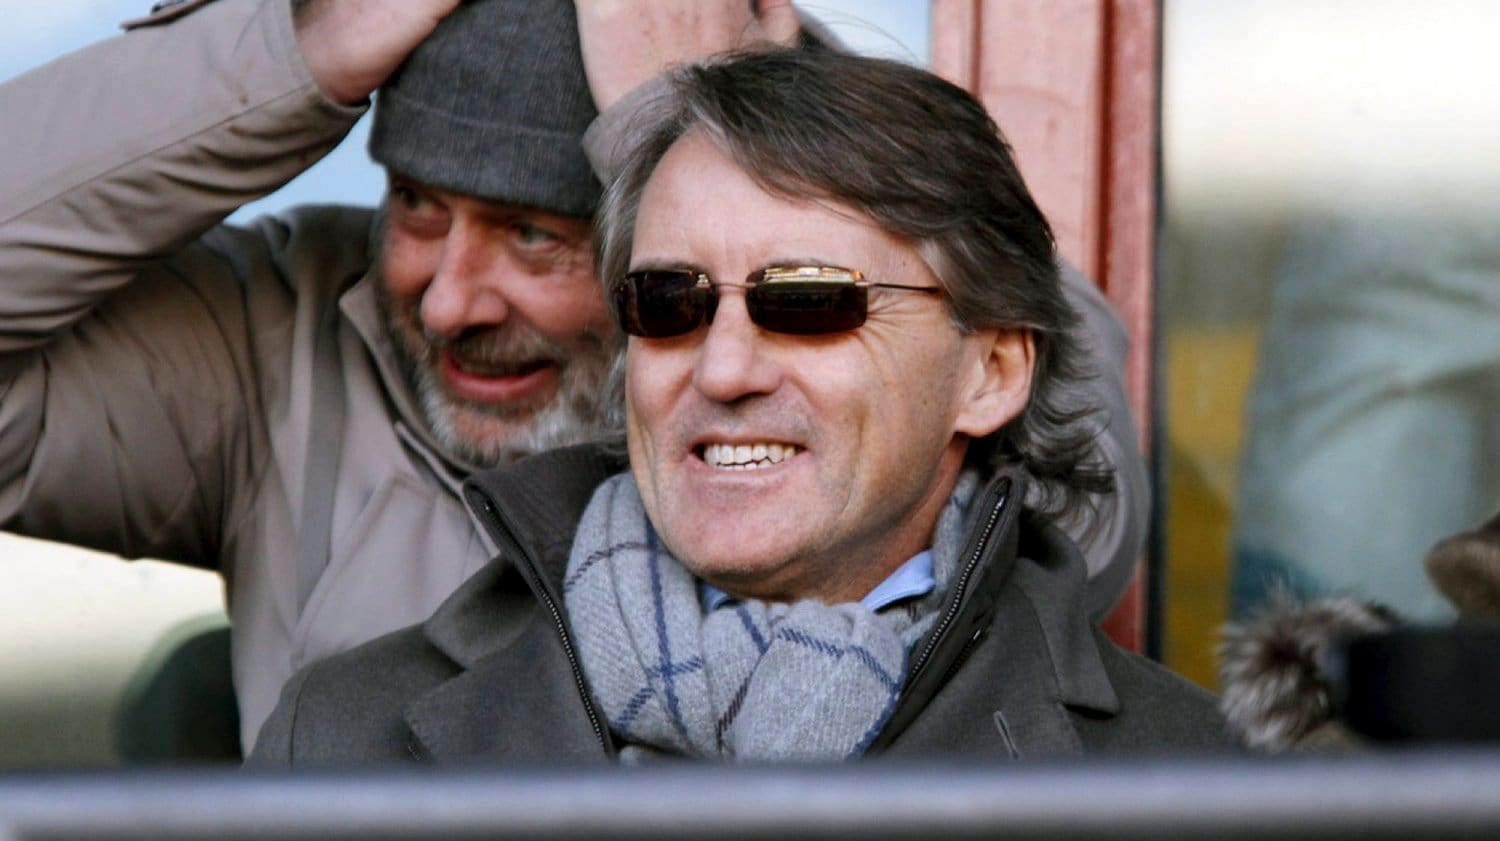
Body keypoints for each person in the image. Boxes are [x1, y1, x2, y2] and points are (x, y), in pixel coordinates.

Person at [249, 48, 1225, 766]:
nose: (721, 369)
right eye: (668, 302)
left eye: (807, 301)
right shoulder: (339, 736)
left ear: (992, 372)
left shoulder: (1190, 781)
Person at [0, 0, 804, 751]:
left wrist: (691, 137)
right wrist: (301, 55)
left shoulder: (846, 406)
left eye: (531, 233)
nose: (448, 305)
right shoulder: (284, 340)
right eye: (417, 203)